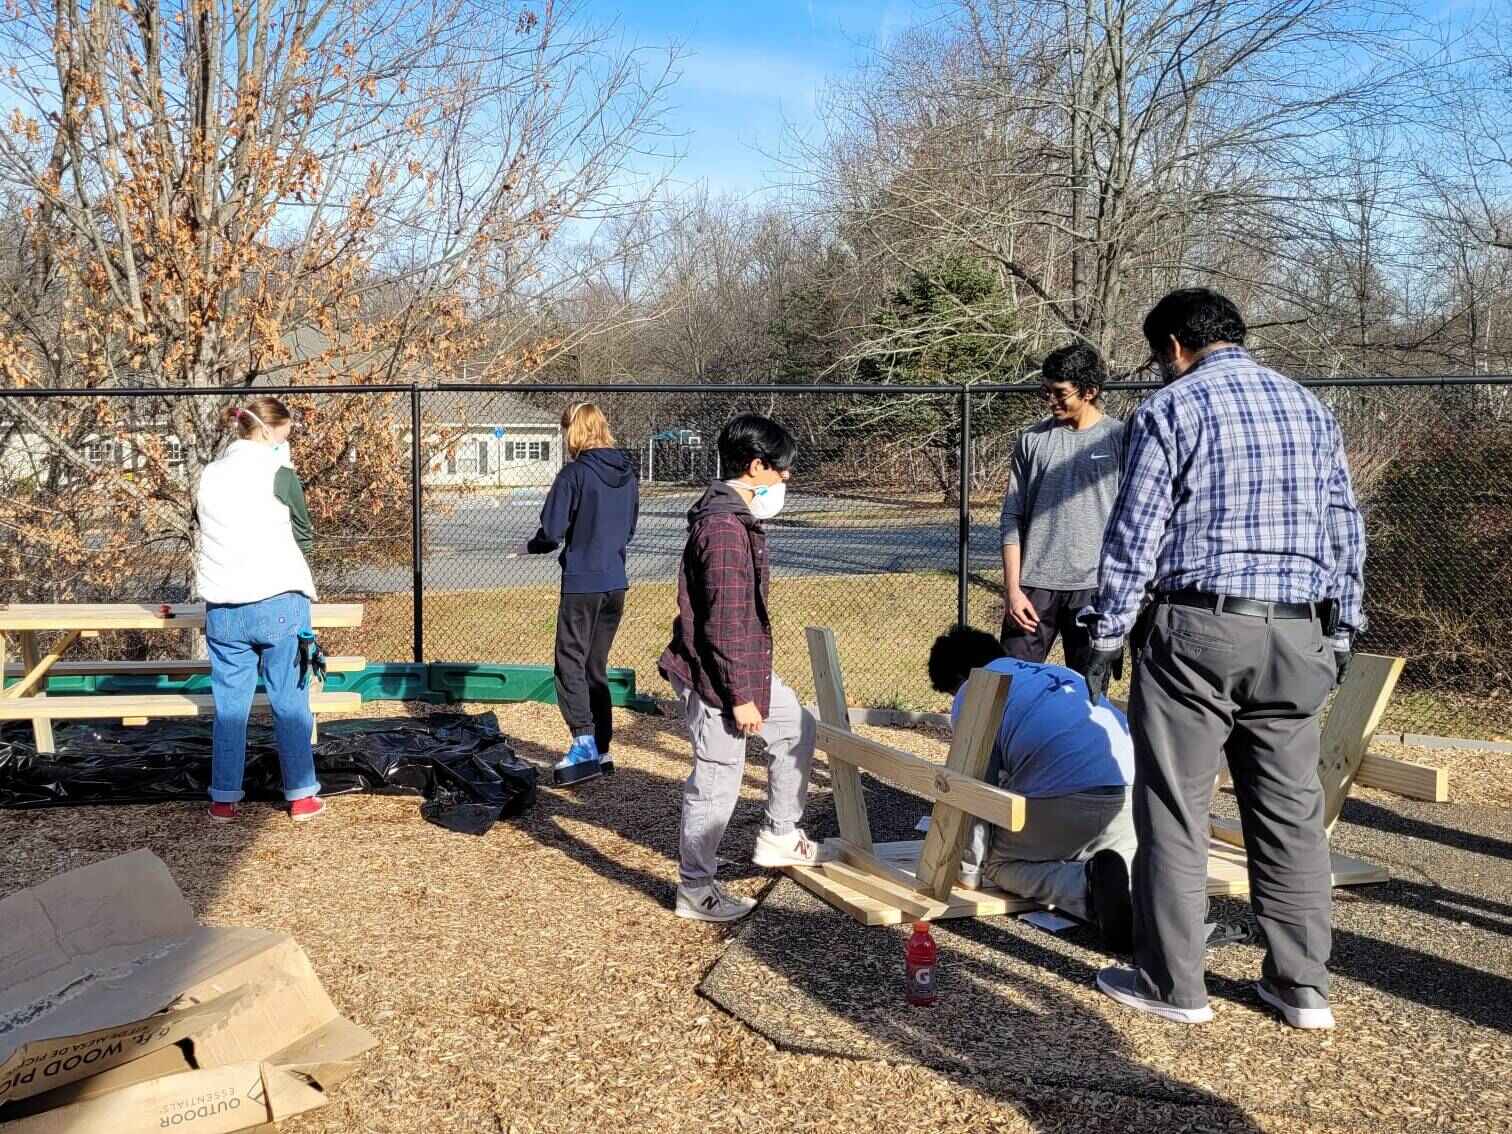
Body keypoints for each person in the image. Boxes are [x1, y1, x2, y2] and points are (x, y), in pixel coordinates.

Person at [1081, 288, 1367, 1030]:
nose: (1157, 372)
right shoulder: (1311, 408)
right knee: (1290, 815)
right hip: (1300, 633)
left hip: (1200, 629)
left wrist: (1107, 631)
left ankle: (1173, 985)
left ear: (1175, 345)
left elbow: (1135, 532)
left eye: (1156, 358)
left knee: (1176, 808)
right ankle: (1302, 987)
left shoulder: (1171, 410)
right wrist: (1342, 632)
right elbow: (1345, 530)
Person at [659, 413, 835, 922]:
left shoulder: (737, 519)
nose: (786, 478)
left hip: (743, 668)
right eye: (780, 469)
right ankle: (696, 889)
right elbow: (725, 624)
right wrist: (740, 696)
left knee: (796, 728)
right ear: (755, 466)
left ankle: (781, 835)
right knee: (717, 781)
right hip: (716, 677)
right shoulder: (723, 529)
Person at [927, 625, 1135, 949]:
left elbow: (977, 786)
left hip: (1073, 796)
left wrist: (968, 867)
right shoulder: (1058, 673)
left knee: (1000, 863)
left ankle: (1085, 888)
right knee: (1115, 862)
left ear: (959, 678)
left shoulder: (977, 689)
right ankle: (1144, 898)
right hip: (1131, 795)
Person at [195, 397, 324, 823]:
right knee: (290, 699)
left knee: (230, 706)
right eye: (286, 432)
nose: (288, 439)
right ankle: (302, 795)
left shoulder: (209, 475)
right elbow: (303, 531)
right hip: (279, 600)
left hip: (223, 607)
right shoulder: (280, 473)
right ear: (270, 431)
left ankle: (224, 798)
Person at [527, 402, 639, 787]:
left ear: (573, 431)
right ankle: (603, 748)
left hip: (582, 583)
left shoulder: (573, 474)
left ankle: (584, 743)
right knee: (596, 665)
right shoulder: (627, 474)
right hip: (615, 583)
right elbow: (629, 529)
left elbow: (551, 530)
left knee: (569, 663)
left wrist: (534, 544)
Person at [999, 343, 1124, 675]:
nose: (1050, 400)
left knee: (1088, 696)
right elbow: (1011, 517)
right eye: (1045, 391)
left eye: (1059, 392)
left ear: (1090, 391)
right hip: (1033, 589)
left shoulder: (1119, 439)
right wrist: (1013, 591)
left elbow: (1133, 522)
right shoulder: (1032, 440)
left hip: (1094, 590)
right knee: (1008, 688)